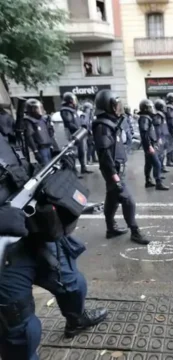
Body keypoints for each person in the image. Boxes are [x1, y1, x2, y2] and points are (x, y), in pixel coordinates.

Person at [0, 132, 107, 360]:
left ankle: (76, 321)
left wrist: (50, 172)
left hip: (35, 231)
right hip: (5, 260)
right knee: (23, 331)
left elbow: (16, 172)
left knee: (73, 284)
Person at [92, 89, 150, 244]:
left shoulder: (110, 123)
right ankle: (135, 231)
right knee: (128, 200)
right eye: (115, 105)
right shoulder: (102, 126)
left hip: (116, 169)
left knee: (112, 199)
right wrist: (114, 176)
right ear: (108, 106)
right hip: (112, 171)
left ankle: (110, 228)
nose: (118, 108)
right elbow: (104, 155)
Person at [138, 99, 169, 191]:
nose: (152, 109)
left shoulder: (146, 117)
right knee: (157, 164)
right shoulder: (145, 118)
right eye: (150, 107)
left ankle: (148, 181)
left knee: (148, 164)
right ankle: (158, 183)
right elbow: (145, 134)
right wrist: (149, 146)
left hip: (150, 144)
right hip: (149, 145)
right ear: (145, 108)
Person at [60, 92, 93, 174]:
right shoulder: (65, 110)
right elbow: (69, 123)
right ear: (70, 101)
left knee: (82, 151)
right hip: (73, 134)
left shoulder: (72, 110)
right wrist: (78, 129)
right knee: (73, 153)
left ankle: (83, 168)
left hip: (79, 133)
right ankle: (74, 171)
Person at [24, 99, 54, 166]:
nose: (40, 110)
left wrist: (50, 125)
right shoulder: (29, 121)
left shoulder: (43, 119)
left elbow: (50, 134)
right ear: (32, 109)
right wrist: (35, 151)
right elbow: (29, 137)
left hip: (48, 146)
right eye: (38, 108)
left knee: (52, 166)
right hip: (41, 148)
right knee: (46, 167)